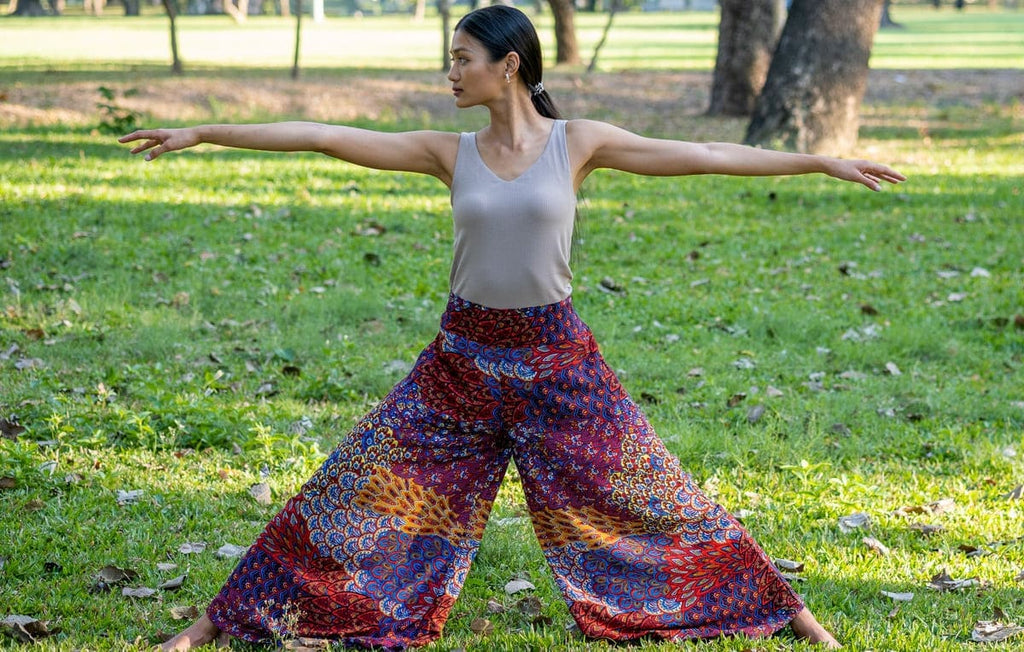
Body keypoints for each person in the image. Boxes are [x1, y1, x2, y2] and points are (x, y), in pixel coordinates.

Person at [120, 7, 903, 651]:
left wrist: (817, 162)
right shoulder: (445, 151)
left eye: (462, 59)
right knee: (351, 490)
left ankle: (790, 614)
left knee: (654, 492)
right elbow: (322, 134)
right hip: (460, 364)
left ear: (510, 65)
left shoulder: (577, 143)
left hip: (559, 360)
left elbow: (701, 151)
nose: (450, 73)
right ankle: (210, 628)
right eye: (450, 60)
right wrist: (205, 133)